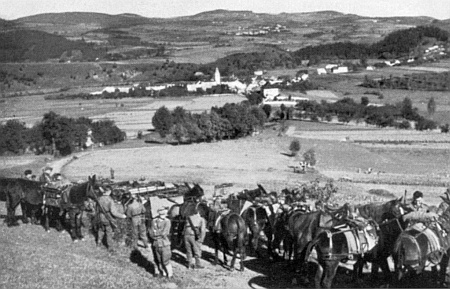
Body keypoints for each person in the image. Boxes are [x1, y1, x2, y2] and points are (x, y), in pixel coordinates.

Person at [96, 186, 127, 252]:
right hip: (108, 218)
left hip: (100, 216)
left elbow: (96, 209)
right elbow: (114, 212)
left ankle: (98, 243)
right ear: (108, 191)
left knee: (101, 230)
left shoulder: (99, 198)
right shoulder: (110, 200)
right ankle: (110, 248)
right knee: (109, 232)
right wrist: (123, 216)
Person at [149, 207, 173, 278]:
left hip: (164, 243)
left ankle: (170, 275)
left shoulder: (167, 221)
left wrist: (155, 233)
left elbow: (165, 233)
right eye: (160, 210)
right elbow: (150, 231)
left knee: (165, 260)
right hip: (156, 243)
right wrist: (154, 234)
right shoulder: (154, 221)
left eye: (163, 211)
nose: (161, 212)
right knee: (158, 259)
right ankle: (162, 273)